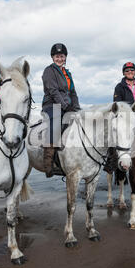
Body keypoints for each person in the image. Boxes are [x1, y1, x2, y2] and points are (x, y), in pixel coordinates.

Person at [41, 43, 80, 177]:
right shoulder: (49, 71)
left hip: (67, 106)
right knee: (55, 124)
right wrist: (65, 106)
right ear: (53, 58)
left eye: (62, 56)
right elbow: (53, 91)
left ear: (65, 57)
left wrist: (76, 109)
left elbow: (73, 92)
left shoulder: (67, 73)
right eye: (57, 56)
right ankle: (49, 164)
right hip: (52, 105)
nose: (59, 59)